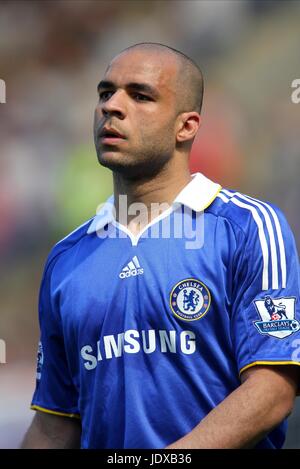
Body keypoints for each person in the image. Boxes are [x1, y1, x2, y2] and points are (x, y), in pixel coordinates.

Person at [22, 43, 300, 449]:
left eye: (140, 95)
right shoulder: (67, 259)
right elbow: (55, 423)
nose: (111, 107)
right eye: (105, 93)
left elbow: (273, 389)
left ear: (186, 126)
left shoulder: (249, 226)